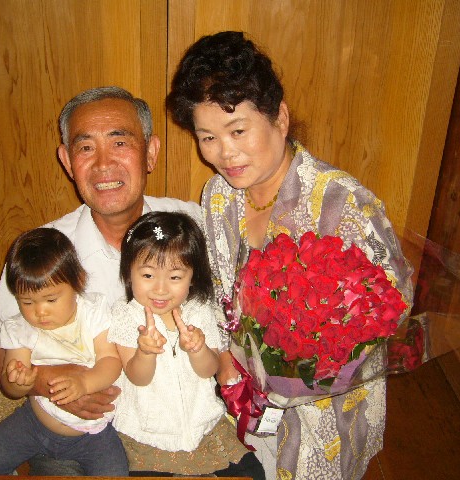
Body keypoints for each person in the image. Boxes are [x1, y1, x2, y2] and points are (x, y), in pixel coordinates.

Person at [166, 31, 414, 480]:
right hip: (246, 395)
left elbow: (394, 310)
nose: (225, 153)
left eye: (238, 131)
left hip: (327, 407)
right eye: (208, 137)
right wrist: (226, 359)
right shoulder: (219, 197)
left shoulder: (342, 204)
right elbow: (222, 296)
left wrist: (315, 352)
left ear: (279, 118)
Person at [0, 86, 202, 475]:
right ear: (66, 160)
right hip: (76, 426)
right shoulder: (45, 250)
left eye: (120, 142)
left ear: (150, 153)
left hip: (178, 415)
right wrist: (50, 382)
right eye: (86, 148)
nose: (103, 164)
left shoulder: (191, 226)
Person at [108, 211, 264, 479]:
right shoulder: (126, 315)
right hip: (146, 435)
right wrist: (145, 352)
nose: (160, 289)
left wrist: (199, 350)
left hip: (205, 427)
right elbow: (137, 377)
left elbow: (209, 370)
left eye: (175, 277)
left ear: (192, 277)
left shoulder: (199, 310)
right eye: (148, 275)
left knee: (254, 474)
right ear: (129, 273)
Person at [0, 227, 128, 475]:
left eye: (51, 300)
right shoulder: (20, 328)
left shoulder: (93, 313)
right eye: (27, 302)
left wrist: (85, 382)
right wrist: (19, 382)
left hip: (93, 434)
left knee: (116, 472)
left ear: (78, 283)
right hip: (35, 423)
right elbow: (11, 387)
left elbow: (111, 360)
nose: (40, 312)